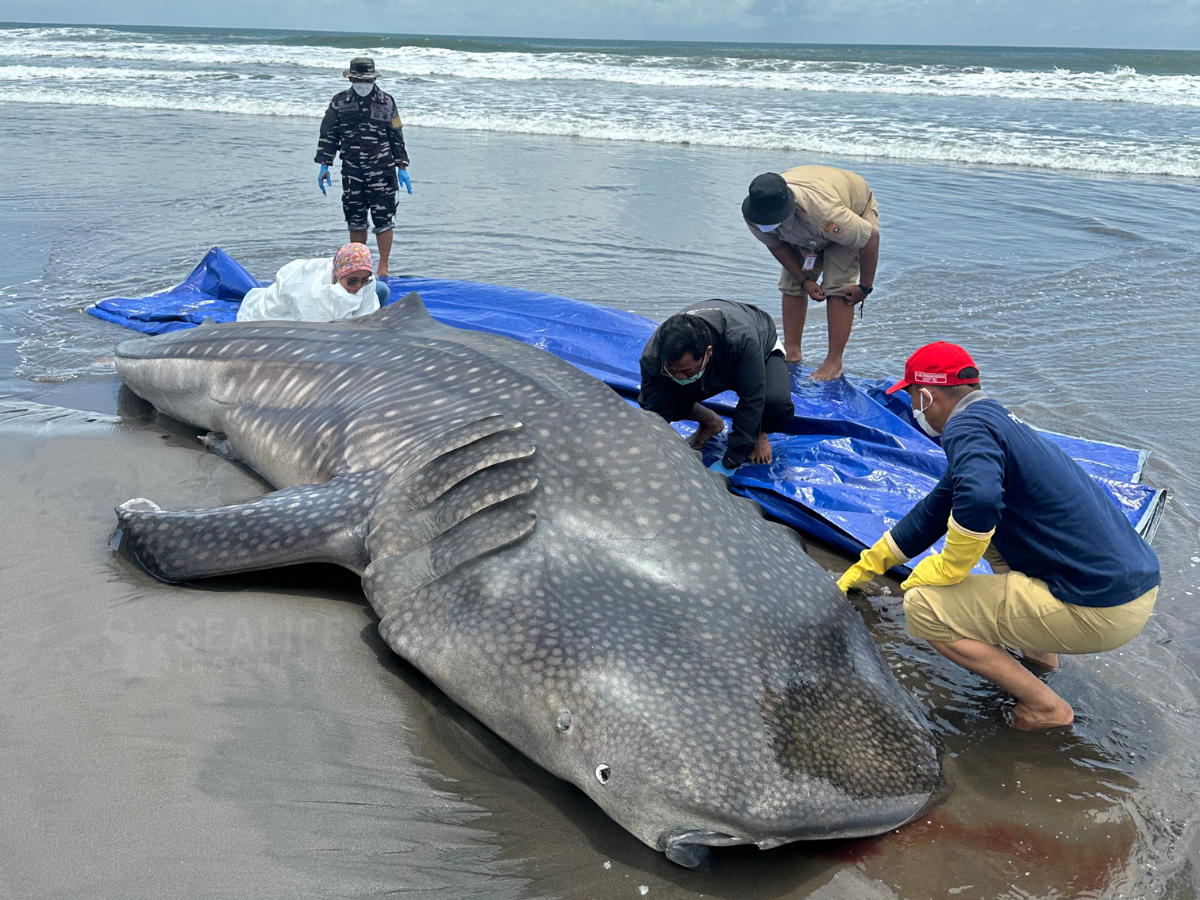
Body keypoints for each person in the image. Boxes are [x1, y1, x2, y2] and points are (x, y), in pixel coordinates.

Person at [836, 342, 1161, 730]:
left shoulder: (964, 427)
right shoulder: (995, 420)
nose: (913, 410)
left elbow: (979, 497)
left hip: (1101, 609)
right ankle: (1040, 661)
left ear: (926, 395)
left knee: (923, 607)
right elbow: (936, 510)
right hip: (1132, 588)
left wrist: (951, 565)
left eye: (910, 398)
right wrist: (872, 564)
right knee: (992, 539)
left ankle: (1045, 707)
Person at [742, 166, 880, 381]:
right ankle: (792, 351)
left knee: (839, 286)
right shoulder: (753, 214)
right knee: (791, 283)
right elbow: (778, 247)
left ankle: (834, 361)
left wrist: (864, 287)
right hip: (807, 222)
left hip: (851, 209)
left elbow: (869, 238)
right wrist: (804, 280)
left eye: (773, 221)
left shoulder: (827, 213)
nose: (766, 224)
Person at [638, 300, 794, 475]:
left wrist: (732, 460)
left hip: (758, 344)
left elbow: (753, 398)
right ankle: (710, 422)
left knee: (775, 403)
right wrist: (652, 452)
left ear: (708, 353)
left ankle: (761, 432)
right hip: (717, 355)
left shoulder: (742, 339)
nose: (679, 376)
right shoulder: (653, 356)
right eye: (672, 370)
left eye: (686, 371)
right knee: (662, 400)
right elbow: (654, 411)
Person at [315, 57, 411, 278]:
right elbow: (329, 134)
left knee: (384, 219)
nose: (362, 83)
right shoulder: (339, 102)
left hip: (382, 170)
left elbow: (396, 135)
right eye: (357, 79)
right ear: (351, 78)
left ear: (373, 79)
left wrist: (402, 166)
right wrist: (324, 164)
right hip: (352, 170)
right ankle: (360, 265)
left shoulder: (387, 102)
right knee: (355, 219)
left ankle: (383, 266)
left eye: (365, 79)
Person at [237, 243, 390, 323]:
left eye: (364, 280)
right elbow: (318, 330)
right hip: (286, 317)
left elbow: (367, 316)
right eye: (352, 281)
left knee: (381, 290)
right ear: (337, 275)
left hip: (325, 308)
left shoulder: (363, 277)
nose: (358, 286)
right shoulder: (311, 291)